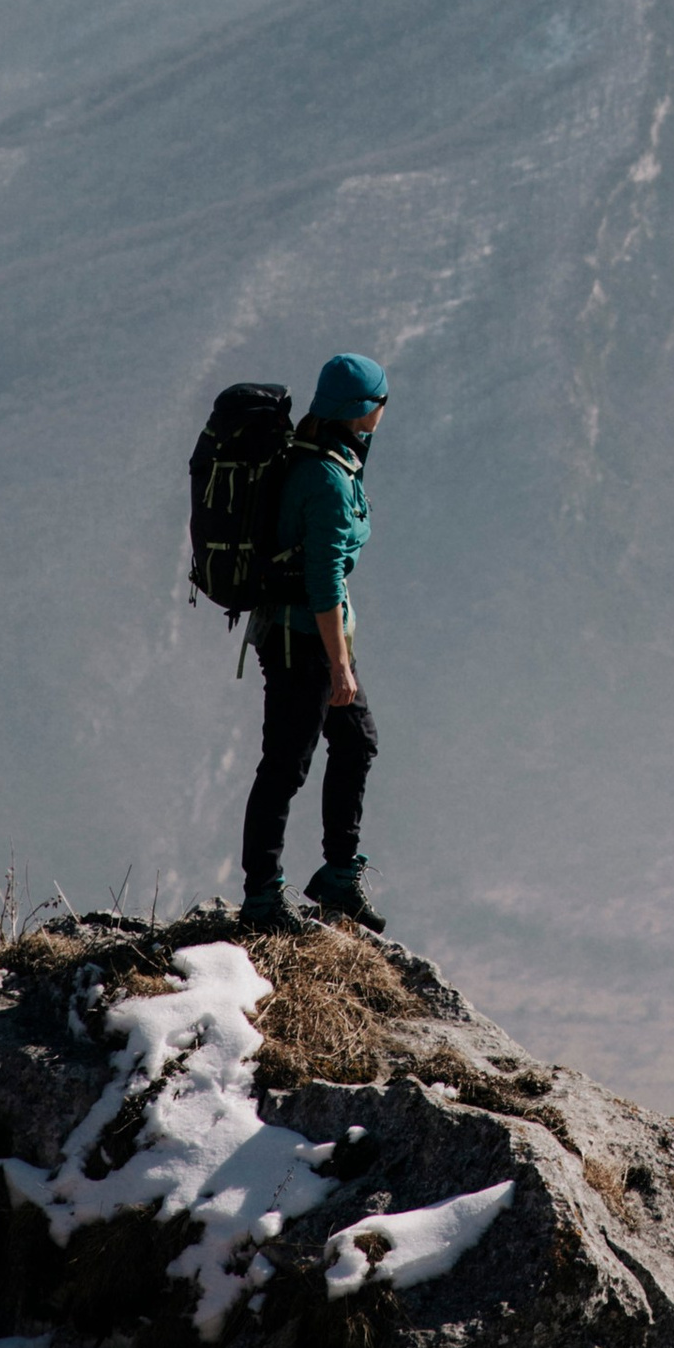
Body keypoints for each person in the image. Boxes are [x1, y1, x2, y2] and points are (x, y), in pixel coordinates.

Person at [239, 350, 389, 934]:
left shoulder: (327, 459)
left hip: (305, 637)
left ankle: (338, 874)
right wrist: (340, 665)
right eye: (380, 402)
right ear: (361, 410)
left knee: (355, 740)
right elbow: (323, 583)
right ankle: (262, 899)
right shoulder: (324, 479)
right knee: (285, 765)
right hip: (301, 642)